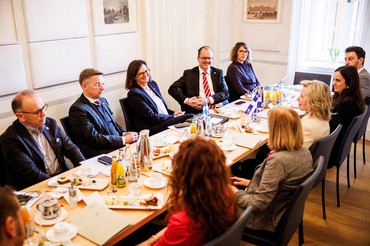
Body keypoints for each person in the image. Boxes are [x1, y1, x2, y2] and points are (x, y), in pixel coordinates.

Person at [138, 138, 235, 245]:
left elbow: (178, 227)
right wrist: (154, 238)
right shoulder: (227, 194)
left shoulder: (182, 224)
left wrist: (147, 242)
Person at [230, 106, 313, 232]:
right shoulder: (305, 152)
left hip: (260, 219)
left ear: (275, 131)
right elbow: (282, 186)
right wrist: (252, 183)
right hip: (279, 209)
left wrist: (235, 192)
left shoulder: (278, 161)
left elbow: (259, 203)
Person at [0, 91, 85, 190]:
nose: (44, 114)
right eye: (37, 112)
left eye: (43, 108)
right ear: (20, 116)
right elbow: (31, 173)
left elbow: (71, 149)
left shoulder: (51, 123)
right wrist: (61, 186)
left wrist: (84, 169)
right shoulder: (10, 139)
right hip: (37, 187)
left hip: (62, 178)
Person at [69, 68, 138, 158]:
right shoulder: (78, 109)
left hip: (117, 145)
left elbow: (113, 124)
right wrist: (123, 140)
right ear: (84, 86)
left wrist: (124, 133)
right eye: (98, 85)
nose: (102, 88)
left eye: (103, 84)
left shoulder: (103, 101)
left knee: (144, 145)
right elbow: (93, 138)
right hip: (100, 152)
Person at [125, 60, 193, 135]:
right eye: (141, 73)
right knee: (189, 116)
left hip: (162, 120)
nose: (145, 74)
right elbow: (152, 117)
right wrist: (172, 117)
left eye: (146, 71)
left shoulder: (153, 84)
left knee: (187, 117)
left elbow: (161, 108)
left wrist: (174, 113)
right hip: (151, 126)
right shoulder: (134, 94)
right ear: (134, 77)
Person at [168, 46, 229, 114]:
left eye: (209, 58)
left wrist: (207, 100)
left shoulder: (218, 73)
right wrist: (187, 100)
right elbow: (172, 89)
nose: (207, 61)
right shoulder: (189, 74)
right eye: (204, 58)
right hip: (199, 112)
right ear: (198, 59)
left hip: (219, 109)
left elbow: (225, 93)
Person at [328, 65, 365, 168]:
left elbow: (334, 132)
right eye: (334, 79)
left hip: (329, 152)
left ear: (349, 83)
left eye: (338, 80)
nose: (334, 83)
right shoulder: (350, 98)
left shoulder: (347, 104)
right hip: (334, 146)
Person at [297, 80, 331, 148]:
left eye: (302, 96)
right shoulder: (322, 118)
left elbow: (295, 155)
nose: (297, 99)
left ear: (313, 101)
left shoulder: (307, 127)